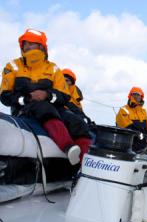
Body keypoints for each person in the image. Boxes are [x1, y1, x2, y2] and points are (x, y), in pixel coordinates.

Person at [0, 29, 91, 165]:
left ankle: (85, 163)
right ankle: (68, 147)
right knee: (44, 107)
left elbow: (65, 95)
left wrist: (47, 95)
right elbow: (5, 96)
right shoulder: (13, 66)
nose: (27, 47)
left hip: (55, 108)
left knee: (77, 122)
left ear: (42, 47)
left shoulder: (53, 69)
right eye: (25, 44)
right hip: (25, 108)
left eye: (32, 43)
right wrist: (27, 98)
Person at [116, 86, 147, 152]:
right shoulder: (123, 110)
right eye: (134, 94)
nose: (136, 96)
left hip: (142, 148)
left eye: (138, 94)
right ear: (130, 96)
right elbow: (129, 130)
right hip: (127, 148)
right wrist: (145, 137)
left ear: (141, 97)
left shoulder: (144, 112)